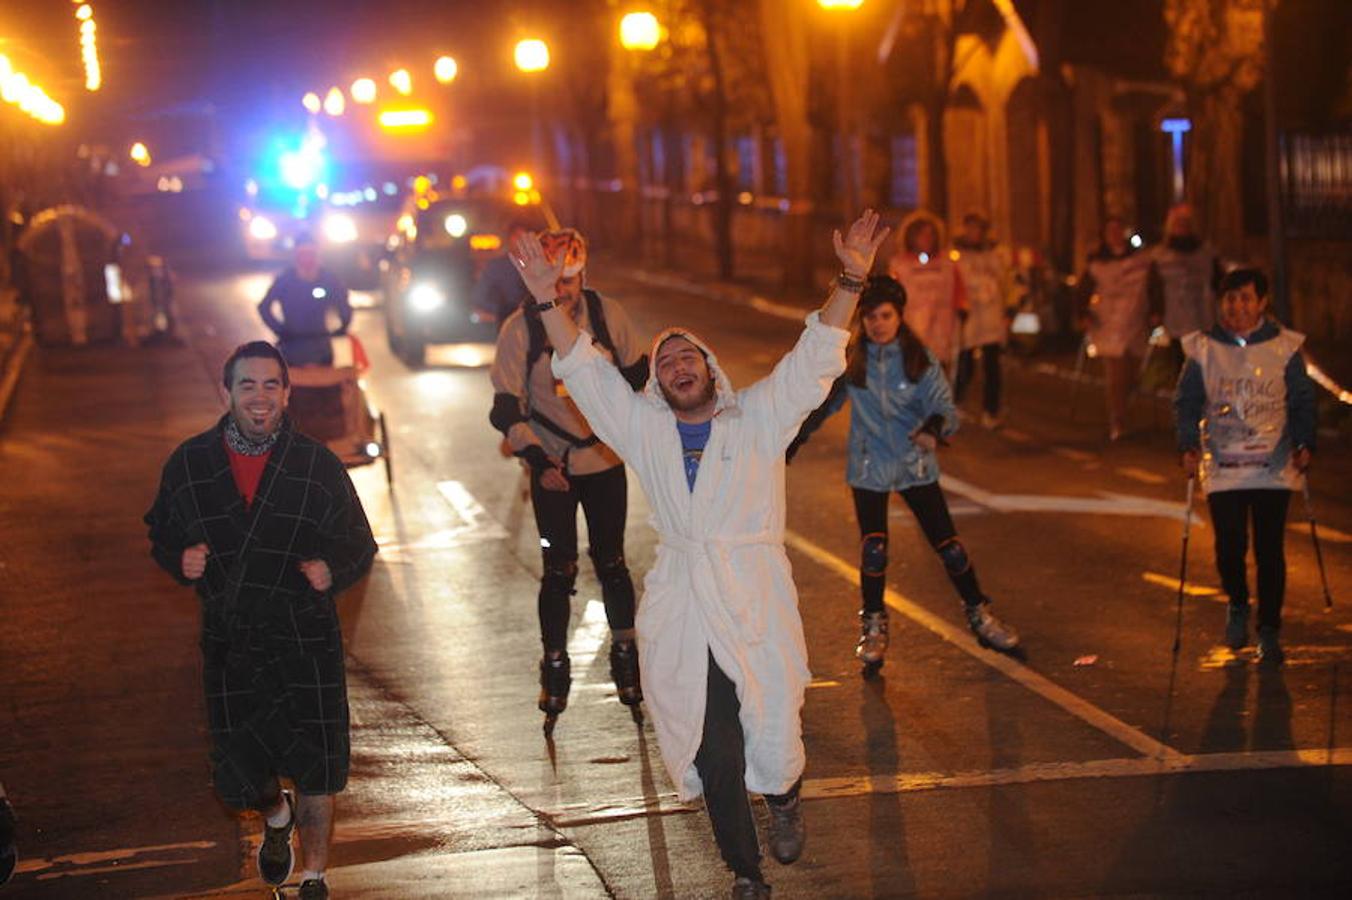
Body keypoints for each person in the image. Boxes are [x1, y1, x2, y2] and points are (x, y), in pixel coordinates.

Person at [513, 210, 892, 899]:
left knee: (773, 732)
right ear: (657, 384)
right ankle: (745, 873)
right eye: (666, 363)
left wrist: (852, 278)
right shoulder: (645, 430)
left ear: (711, 369)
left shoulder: (760, 417)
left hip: (754, 596)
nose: (679, 367)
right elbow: (589, 375)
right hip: (686, 601)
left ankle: (782, 795)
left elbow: (814, 361)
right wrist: (546, 299)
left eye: (689, 357)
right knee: (713, 743)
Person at [144, 341, 377, 900]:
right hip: (232, 647)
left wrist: (333, 569)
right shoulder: (190, 464)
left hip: (305, 640)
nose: (260, 396)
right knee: (237, 778)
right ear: (224, 392)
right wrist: (180, 559)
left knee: (320, 767)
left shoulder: (316, 465)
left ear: (287, 393)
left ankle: (314, 878)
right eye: (247, 384)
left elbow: (360, 544)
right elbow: (162, 531)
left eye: (272, 385)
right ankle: (276, 817)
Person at [788, 276, 1020, 675]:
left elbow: (946, 409)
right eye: (871, 316)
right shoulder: (853, 361)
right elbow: (822, 407)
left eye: (886, 315)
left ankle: (980, 613)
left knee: (949, 547)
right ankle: (874, 627)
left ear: (899, 316)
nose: (878, 324)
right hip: (868, 466)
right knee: (874, 549)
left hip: (915, 464)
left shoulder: (918, 359)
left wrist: (933, 429)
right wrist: (791, 440)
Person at [488, 228, 650, 733]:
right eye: (555, 285)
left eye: (571, 282)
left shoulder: (606, 315)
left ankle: (626, 654)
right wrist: (537, 459)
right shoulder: (522, 328)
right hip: (551, 462)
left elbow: (639, 375)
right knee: (558, 569)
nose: (563, 294)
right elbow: (504, 405)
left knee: (613, 562)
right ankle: (554, 663)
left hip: (602, 459)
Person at [1174, 268, 1316, 664]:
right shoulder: (1203, 349)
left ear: (1261, 303)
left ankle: (1269, 630)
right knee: (1230, 544)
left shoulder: (1284, 348)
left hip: (1271, 465)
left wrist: (1305, 441)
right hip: (1224, 466)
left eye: (1246, 298)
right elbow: (1186, 402)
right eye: (1231, 299)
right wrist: (1187, 444)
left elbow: (1302, 399)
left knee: (1270, 550)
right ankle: (1237, 601)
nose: (1237, 306)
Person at [1074, 216, 1153, 440]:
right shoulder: (1097, 261)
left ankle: (1123, 410)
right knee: (1116, 374)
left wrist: (1155, 311)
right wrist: (1083, 313)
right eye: (1111, 231)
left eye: (1118, 230)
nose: (1115, 235)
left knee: (1133, 373)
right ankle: (1117, 418)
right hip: (1107, 323)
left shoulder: (1139, 260)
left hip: (1135, 323)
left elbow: (1152, 284)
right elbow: (1083, 289)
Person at [952, 212, 1013, 428]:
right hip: (969, 316)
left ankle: (991, 410)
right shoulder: (957, 255)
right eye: (971, 228)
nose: (974, 233)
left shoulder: (994, 255)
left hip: (991, 317)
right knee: (965, 362)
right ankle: (956, 400)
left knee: (992, 365)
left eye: (978, 229)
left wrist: (1009, 310)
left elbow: (1006, 282)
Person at [887, 211, 967, 376]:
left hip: (942, 327)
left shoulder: (947, 264)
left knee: (939, 370)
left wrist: (962, 308)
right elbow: (892, 294)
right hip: (912, 325)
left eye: (931, 234)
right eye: (922, 234)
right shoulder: (900, 265)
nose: (927, 238)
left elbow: (959, 290)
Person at [258, 234, 352, 367]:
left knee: (326, 384)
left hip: (321, 347)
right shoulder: (285, 280)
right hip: (291, 348)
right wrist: (280, 331)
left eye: (311, 254)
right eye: (302, 255)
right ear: (296, 257)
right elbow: (264, 307)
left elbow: (343, 303)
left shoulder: (328, 279)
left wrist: (343, 326)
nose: (307, 259)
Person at [1149, 202, 1222, 366]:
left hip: (1203, 315)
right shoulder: (1160, 256)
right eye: (1178, 223)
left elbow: (1218, 281)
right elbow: (1154, 286)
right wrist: (1156, 311)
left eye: (1185, 222)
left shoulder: (1206, 253)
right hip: (1174, 317)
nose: (1182, 227)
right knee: (1179, 363)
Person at [471, 219, 534, 330]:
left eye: (525, 238)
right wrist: (499, 312)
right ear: (509, 239)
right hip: (504, 321)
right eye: (517, 237)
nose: (521, 242)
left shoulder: (538, 265)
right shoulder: (496, 266)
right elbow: (481, 296)